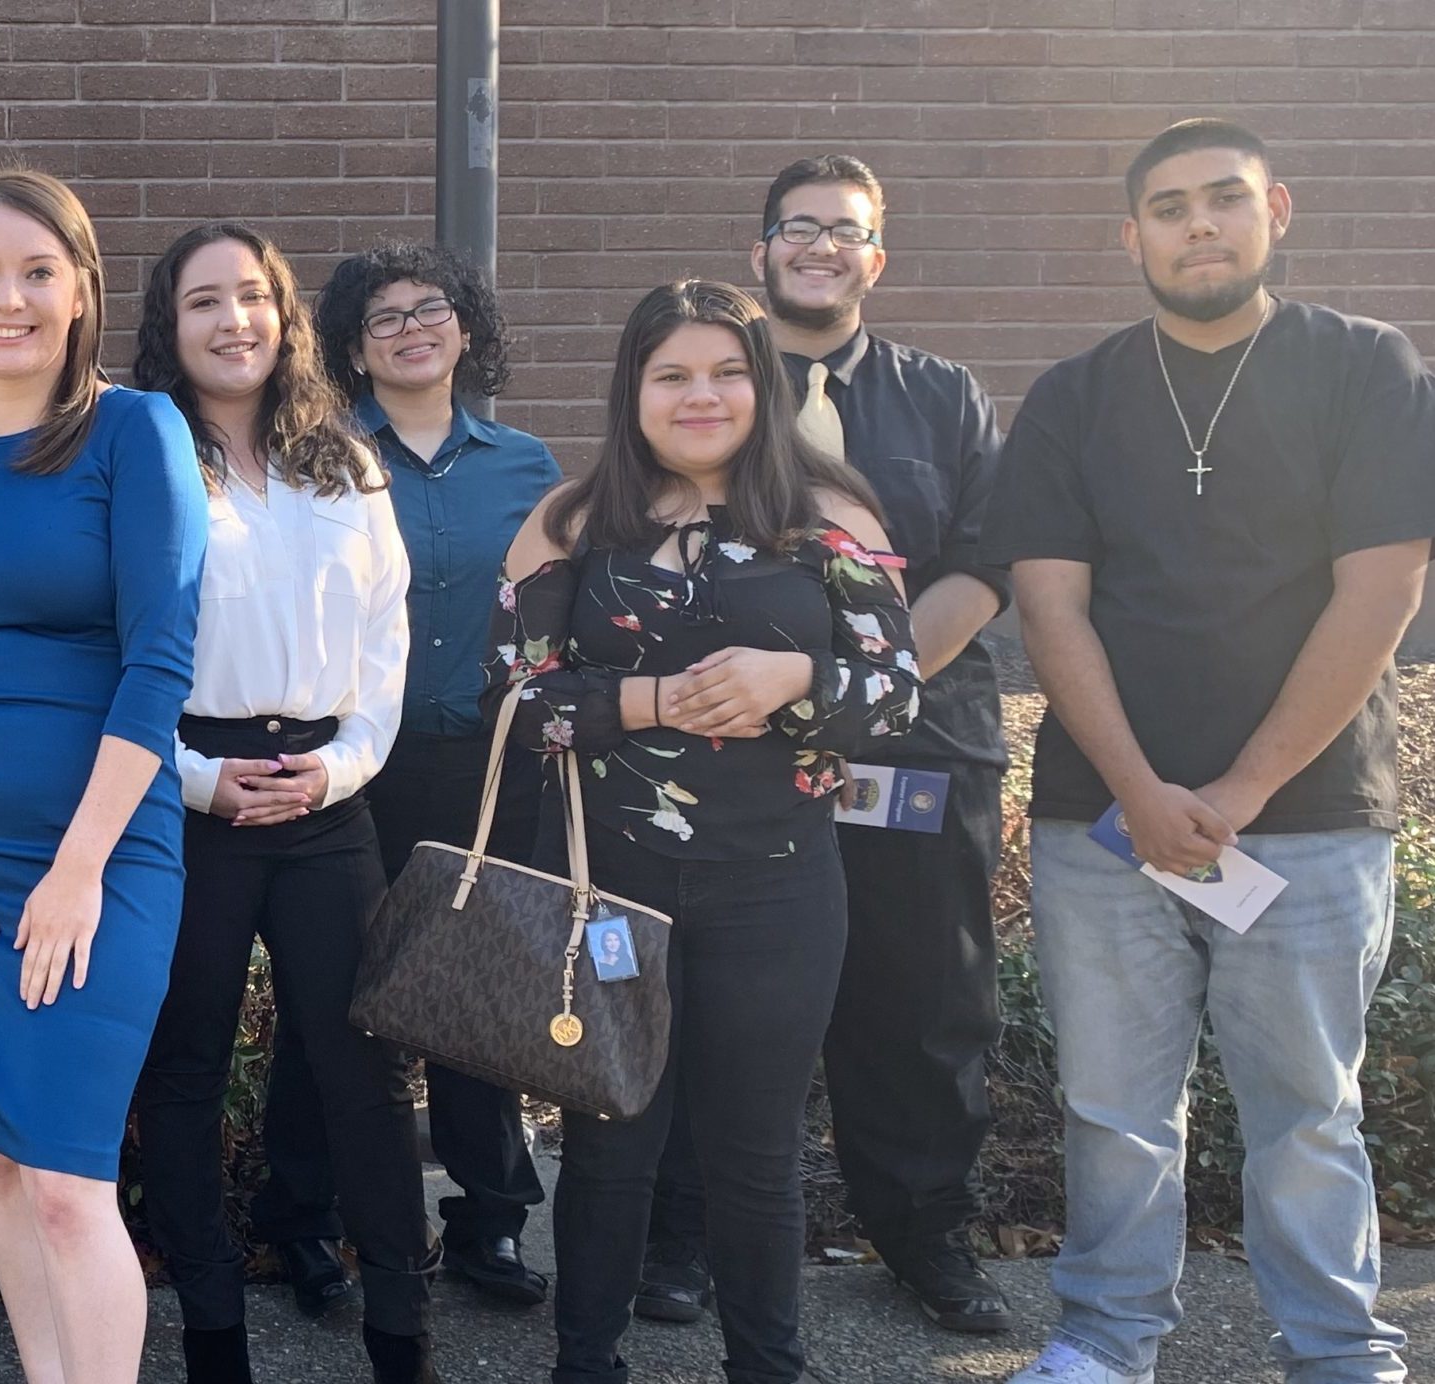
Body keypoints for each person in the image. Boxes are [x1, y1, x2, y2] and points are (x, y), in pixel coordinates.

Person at [983, 119, 1433, 1384]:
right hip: (1101, 823)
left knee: (1306, 1114)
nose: (1198, 225)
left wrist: (1234, 791)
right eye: (1168, 207)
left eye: (1223, 199)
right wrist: (1140, 790)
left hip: (1309, 819)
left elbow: (1382, 592)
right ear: (1131, 237)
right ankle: (1103, 1339)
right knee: (1113, 1111)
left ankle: (1339, 1350)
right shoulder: (1075, 395)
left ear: (1275, 209)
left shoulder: (1365, 370)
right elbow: (1049, 607)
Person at [487, 279, 921, 1384]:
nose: (701, 395)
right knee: (608, 1141)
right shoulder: (570, 523)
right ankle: (584, 1362)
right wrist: (646, 700)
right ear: (632, 388)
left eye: (727, 371)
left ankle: (767, 1367)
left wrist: (797, 673)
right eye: (671, 373)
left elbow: (896, 690)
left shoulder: (829, 516)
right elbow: (511, 699)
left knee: (754, 1155)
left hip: (778, 888)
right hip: (613, 888)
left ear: (761, 384)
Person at [636, 154, 1018, 1337]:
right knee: (713, 998)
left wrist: (860, 686)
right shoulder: (710, 394)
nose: (820, 247)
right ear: (760, 252)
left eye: (844, 231)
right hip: (734, 764)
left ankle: (922, 1235)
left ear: (875, 256)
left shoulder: (942, 396)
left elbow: (982, 567)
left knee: (920, 998)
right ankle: (684, 1240)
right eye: (797, 229)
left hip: (914, 751)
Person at [0, 170, 207, 1384]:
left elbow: (160, 660)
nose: (7, 297)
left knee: (66, 1179)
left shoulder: (134, 431)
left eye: (36, 271)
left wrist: (77, 869)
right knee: (3, 1162)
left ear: (79, 295)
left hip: (99, 863)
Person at [125, 222, 438, 1384]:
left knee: (363, 1073)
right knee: (186, 1070)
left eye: (251, 296)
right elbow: (108, 642)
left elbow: (386, 631)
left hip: (325, 801)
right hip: (186, 802)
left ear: (284, 314)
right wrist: (193, 775)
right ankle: (213, 1335)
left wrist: (345, 763)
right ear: (170, 324)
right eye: (204, 301)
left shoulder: (343, 461)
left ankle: (402, 1335)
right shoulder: (140, 452)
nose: (233, 320)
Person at [253, 240, 563, 1314]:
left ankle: (488, 1221)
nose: (411, 327)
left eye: (431, 309)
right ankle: (303, 1223)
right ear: (350, 345)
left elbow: (555, 619)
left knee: (479, 997)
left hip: (488, 771)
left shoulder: (527, 468)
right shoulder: (317, 458)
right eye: (382, 317)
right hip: (355, 769)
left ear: (466, 328)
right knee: (334, 1001)